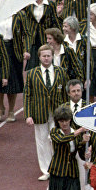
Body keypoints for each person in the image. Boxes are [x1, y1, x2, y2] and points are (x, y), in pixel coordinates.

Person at [24, 45, 69, 180]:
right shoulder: (32, 73)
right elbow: (27, 95)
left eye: (49, 55)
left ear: (52, 56)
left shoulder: (61, 72)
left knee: (57, 139)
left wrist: (67, 112)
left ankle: (59, 166)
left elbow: (66, 94)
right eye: (44, 56)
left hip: (57, 113)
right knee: (42, 141)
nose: (46, 58)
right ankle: (46, 170)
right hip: (39, 112)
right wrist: (28, 115)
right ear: (39, 57)